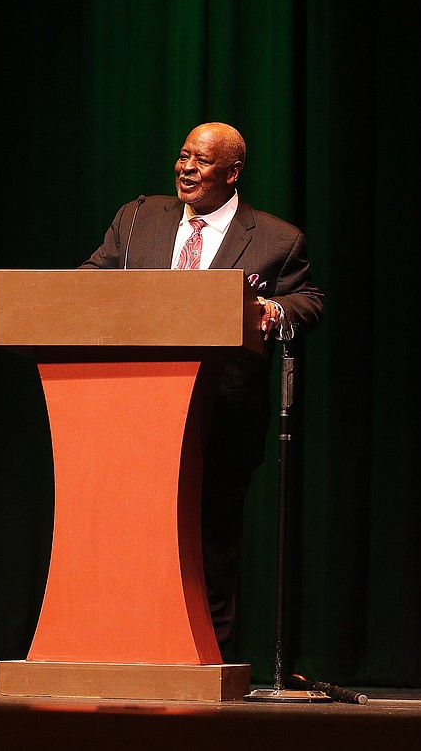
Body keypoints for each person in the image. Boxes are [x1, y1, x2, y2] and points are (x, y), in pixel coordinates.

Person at [80, 122, 323, 653]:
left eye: (202, 161)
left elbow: (308, 300)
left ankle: (207, 663)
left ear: (233, 173)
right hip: (133, 409)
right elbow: (90, 281)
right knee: (132, 542)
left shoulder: (278, 239)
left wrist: (270, 310)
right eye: (184, 156)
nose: (186, 168)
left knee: (207, 545)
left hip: (222, 415)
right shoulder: (138, 218)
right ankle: (128, 651)